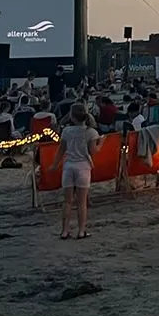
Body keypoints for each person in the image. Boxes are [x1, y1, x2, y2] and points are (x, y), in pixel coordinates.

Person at [50, 102, 100, 239]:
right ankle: (81, 230)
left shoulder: (66, 131)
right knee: (82, 202)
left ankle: (65, 231)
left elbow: (61, 149)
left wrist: (54, 164)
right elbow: (93, 151)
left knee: (67, 201)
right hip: (83, 166)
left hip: (69, 166)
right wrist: (101, 143)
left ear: (71, 116)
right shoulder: (91, 132)